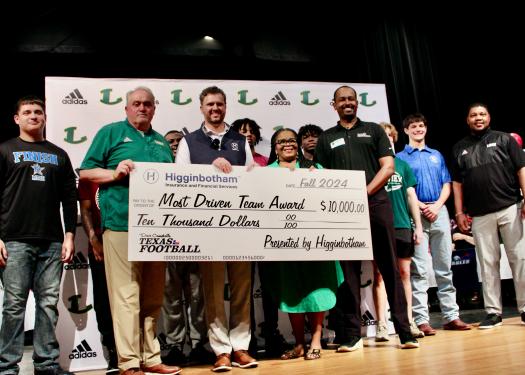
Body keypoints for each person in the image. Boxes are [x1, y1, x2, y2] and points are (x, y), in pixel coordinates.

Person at [79, 86, 181, 375]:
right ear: (126, 108)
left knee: (152, 297)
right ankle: (128, 362)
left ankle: (151, 358)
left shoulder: (161, 142)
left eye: (147, 104)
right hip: (121, 225)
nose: (142, 108)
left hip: (157, 229)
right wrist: (114, 173)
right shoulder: (111, 133)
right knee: (126, 296)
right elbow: (86, 172)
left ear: (154, 108)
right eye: (136, 103)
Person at [314, 85, 418, 350]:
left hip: (377, 205)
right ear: (333, 105)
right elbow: (320, 175)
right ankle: (352, 335)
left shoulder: (373, 130)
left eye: (351, 99)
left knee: (390, 269)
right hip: (342, 212)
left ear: (357, 103)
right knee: (348, 274)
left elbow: (388, 166)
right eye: (342, 100)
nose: (347, 103)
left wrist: (365, 192)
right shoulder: (326, 138)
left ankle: (404, 331)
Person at [176, 86, 257, 372]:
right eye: (210, 104)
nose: (215, 109)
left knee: (242, 287)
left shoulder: (239, 140)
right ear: (201, 108)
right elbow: (180, 181)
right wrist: (211, 168)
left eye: (220, 104)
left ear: (226, 106)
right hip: (206, 229)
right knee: (211, 290)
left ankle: (241, 347)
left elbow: (251, 178)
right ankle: (220, 350)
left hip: (241, 226)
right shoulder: (189, 142)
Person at [0, 96, 77, 375]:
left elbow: (70, 199)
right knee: (13, 305)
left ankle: (46, 364)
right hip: (15, 240)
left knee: (47, 304)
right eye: (28, 112)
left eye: (38, 112)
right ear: (16, 118)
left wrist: (69, 235)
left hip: (52, 241)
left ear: (44, 117)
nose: (34, 115)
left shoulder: (59, 155)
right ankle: (7, 366)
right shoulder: (5, 150)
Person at [266, 128, 343, 361]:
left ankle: (316, 340)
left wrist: (322, 180)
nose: (287, 144)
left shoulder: (315, 169)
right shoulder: (264, 173)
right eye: (281, 141)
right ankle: (299, 344)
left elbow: (332, 200)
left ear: (298, 145)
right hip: (283, 245)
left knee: (317, 290)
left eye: (291, 140)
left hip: (315, 244)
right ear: (274, 147)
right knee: (292, 292)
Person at [451, 103, 525, 328]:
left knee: (519, 259)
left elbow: (521, 168)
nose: (478, 118)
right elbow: (457, 183)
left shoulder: (505, 139)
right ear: (467, 120)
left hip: (509, 207)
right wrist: (459, 211)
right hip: (479, 215)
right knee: (487, 263)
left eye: (482, 114)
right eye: (473, 115)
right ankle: (493, 312)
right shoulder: (459, 148)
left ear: (489, 117)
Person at [397, 113, 471, 335]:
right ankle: (421, 320)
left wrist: (437, 206)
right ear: (406, 131)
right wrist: (420, 206)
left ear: (425, 129)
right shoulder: (400, 158)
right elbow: (404, 189)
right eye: (413, 126)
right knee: (418, 270)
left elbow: (446, 183)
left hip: (438, 211)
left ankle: (451, 316)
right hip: (415, 214)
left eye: (421, 125)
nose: (418, 129)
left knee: (444, 267)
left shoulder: (436, 155)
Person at [158, 130, 211, 366]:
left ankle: (199, 344)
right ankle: (175, 346)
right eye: (171, 141)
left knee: (198, 297)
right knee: (171, 298)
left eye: (179, 141)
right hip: (167, 243)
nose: (175, 144)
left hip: (196, 242)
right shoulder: (157, 169)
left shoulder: (199, 169)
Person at [373, 123, 424, 341]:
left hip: (403, 225)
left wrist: (418, 226)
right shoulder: (373, 164)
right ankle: (382, 324)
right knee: (380, 276)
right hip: (380, 225)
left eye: (389, 136)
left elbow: (411, 196)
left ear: (394, 139)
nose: (387, 139)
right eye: (382, 136)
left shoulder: (402, 165)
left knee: (404, 273)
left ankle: (409, 320)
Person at [78, 179, 119, 374]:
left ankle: (138, 350)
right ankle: (113, 352)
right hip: (100, 246)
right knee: (103, 301)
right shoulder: (88, 175)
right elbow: (85, 210)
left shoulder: (124, 167)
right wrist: (94, 239)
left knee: (131, 299)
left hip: (127, 242)